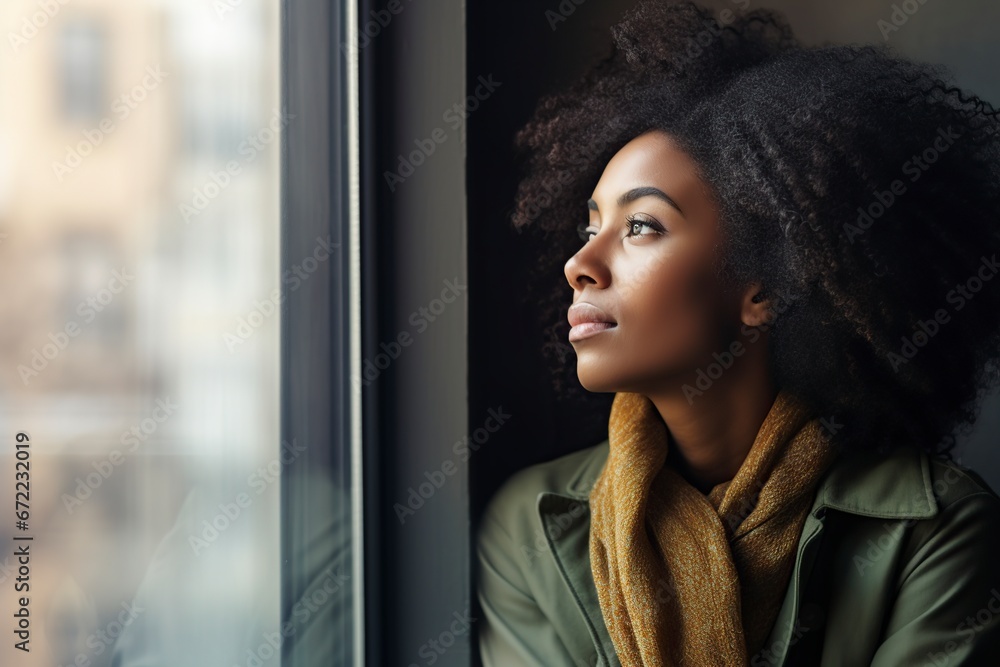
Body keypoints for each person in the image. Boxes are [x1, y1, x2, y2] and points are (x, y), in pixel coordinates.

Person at [476, 2, 1000, 665]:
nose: (579, 264)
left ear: (768, 288)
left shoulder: (933, 531)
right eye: (590, 227)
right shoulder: (533, 526)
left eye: (641, 226)